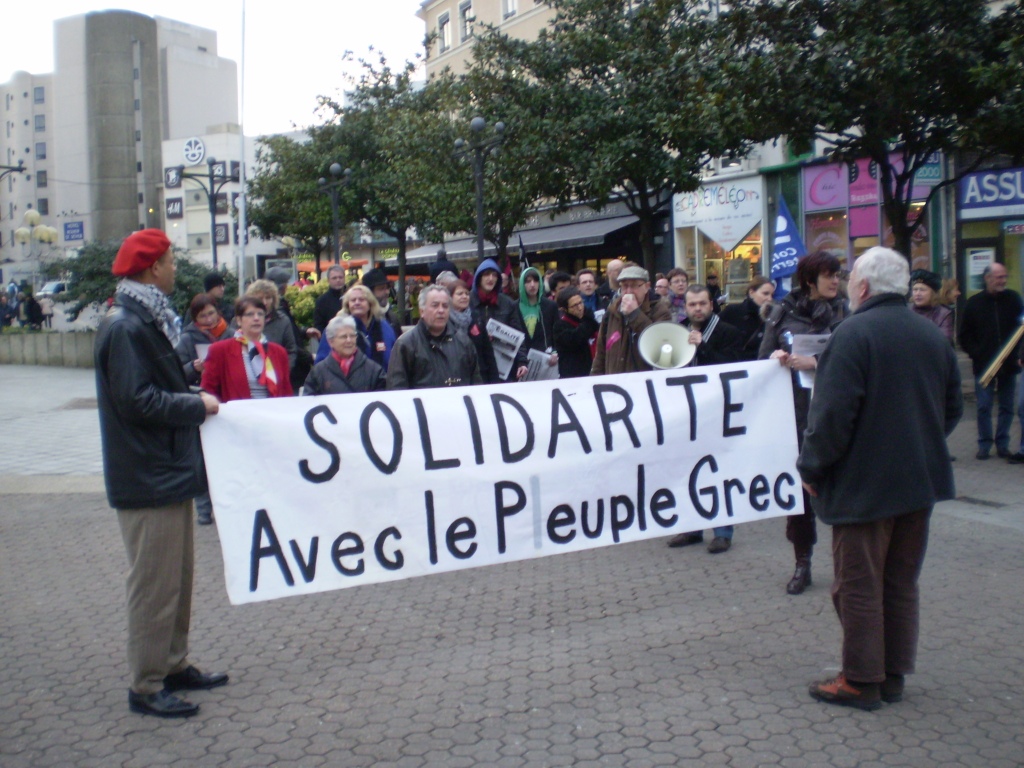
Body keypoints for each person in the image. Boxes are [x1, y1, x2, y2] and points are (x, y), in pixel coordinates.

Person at [798, 247, 962, 710]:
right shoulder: (930, 335)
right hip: (919, 481)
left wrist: (811, 468)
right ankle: (892, 674)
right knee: (900, 580)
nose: (848, 285)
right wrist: (914, 441)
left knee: (859, 584)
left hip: (865, 485)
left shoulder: (852, 334)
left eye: (852, 279)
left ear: (864, 287)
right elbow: (950, 409)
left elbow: (830, 417)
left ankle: (860, 679)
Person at [94, 228, 227, 719]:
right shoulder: (127, 327)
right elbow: (137, 401)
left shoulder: (146, 319)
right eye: (171, 261)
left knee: (177, 578)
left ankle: (173, 663)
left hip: (165, 471)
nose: (176, 268)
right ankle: (147, 683)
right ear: (153, 269)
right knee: (154, 584)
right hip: (148, 476)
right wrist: (195, 404)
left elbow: (153, 386)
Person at [758, 252, 850, 593]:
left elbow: (853, 361)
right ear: (810, 279)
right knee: (799, 496)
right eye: (828, 276)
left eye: (837, 275)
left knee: (840, 492)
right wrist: (776, 359)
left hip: (834, 412)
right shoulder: (782, 312)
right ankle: (802, 562)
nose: (834, 281)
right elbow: (761, 358)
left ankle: (846, 563)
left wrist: (815, 362)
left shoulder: (845, 312)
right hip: (794, 415)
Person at [666, 284, 744, 554]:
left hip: (717, 411)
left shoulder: (727, 332)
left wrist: (704, 347)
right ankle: (691, 527)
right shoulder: (678, 332)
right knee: (687, 469)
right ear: (685, 307)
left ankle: (723, 531)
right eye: (692, 305)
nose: (697, 309)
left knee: (717, 470)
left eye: (702, 304)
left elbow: (730, 367)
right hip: (687, 411)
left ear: (711, 305)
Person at [960, 263, 1023, 460]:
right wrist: (976, 353)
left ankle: (1002, 444)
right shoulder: (974, 303)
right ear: (988, 278)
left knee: (1006, 406)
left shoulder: (1014, 299)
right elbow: (964, 335)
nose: (1003, 280)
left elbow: (1022, 329)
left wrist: (1019, 353)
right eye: (999, 277)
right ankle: (984, 444)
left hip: (1009, 363)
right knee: (984, 406)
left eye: (1004, 277)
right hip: (984, 365)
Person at [387, 284, 481, 389]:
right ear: (422, 311)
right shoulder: (406, 344)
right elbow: (396, 389)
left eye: (445, 306)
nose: (441, 310)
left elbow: (476, 384)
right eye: (435, 305)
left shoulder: (464, 342)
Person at [201, 296, 293, 402]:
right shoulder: (219, 350)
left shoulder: (279, 352)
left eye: (260, 314)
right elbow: (208, 391)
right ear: (239, 320)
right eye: (250, 314)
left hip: (272, 415)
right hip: (237, 416)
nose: (256, 318)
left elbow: (286, 393)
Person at [590, 264, 672, 375]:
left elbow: (658, 343)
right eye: (624, 286)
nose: (628, 291)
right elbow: (601, 354)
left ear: (647, 287)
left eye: (634, 286)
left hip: (644, 384)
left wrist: (635, 314)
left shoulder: (660, 311)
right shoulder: (612, 311)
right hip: (614, 383)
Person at [313, 284, 397, 370]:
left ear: (370, 303)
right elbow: (321, 364)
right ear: (347, 305)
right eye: (353, 300)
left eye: (361, 299)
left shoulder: (384, 327)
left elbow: (395, 359)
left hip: (383, 380)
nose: (357, 303)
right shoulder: (336, 327)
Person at [470, 259, 529, 381]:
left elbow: (519, 335)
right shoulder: (468, 301)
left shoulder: (507, 303)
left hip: (503, 365)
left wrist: (522, 361)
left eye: (494, 275)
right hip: (476, 363)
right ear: (479, 277)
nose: (490, 278)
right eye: (486, 274)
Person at [303, 315, 386, 395]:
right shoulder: (317, 373)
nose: (349, 340)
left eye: (352, 336)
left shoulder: (374, 370)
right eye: (343, 337)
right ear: (331, 342)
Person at [448, 278, 500, 384]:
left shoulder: (476, 317)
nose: (464, 297)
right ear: (450, 297)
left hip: (480, 377)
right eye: (459, 294)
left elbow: (488, 352)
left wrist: (494, 381)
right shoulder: (444, 321)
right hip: (454, 379)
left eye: (467, 293)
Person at [176, 294, 232, 387]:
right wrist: (193, 367)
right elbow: (177, 373)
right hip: (200, 391)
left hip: (229, 389)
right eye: (202, 316)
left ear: (217, 311)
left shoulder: (231, 334)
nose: (209, 320)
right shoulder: (187, 339)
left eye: (211, 313)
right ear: (195, 318)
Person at [245, 279, 299, 372]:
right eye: (260, 298)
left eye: (268, 298)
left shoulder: (282, 320)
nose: (265, 302)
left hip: (276, 374)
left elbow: (291, 350)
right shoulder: (243, 319)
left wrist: (283, 372)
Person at [720, 275, 775, 361]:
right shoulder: (733, 311)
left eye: (772, 295)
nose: (769, 298)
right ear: (751, 292)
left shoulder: (773, 316)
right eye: (765, 293)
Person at [553, 287, 600, 379]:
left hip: (594, 372)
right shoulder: (560, 326)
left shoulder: (589, 320)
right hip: (574, 376)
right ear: (564, 309)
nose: (580, 308)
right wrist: (588, 321)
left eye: (580, 302)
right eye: (574, 306)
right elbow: (577, 338)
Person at [519, 266, 559, 371]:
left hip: (546, 361)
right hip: (522, 363)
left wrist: (555, 351)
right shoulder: (514, 307)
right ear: (522, 284)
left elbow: (557, 332)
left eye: (536, 281)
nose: (532, 285)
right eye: (528, 281)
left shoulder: (550, 306)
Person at [909, 270, 953, 343]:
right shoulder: (907, 310)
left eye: (922, 290)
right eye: (915, 289)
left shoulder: (943, 314)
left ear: (933, 293)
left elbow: (944, 341)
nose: (917, 293)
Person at [361, 267, 403, 337]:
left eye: (387, 288)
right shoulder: (362, 318)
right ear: (369, 293)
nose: (387, 292)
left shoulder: (392, 318)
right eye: (381, 289)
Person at [313, 265, 347, 334]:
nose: (338, 280)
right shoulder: (322, 301)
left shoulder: (353, 297)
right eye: (334, 278)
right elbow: (319, 325)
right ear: (328, 280)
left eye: (340, 277)